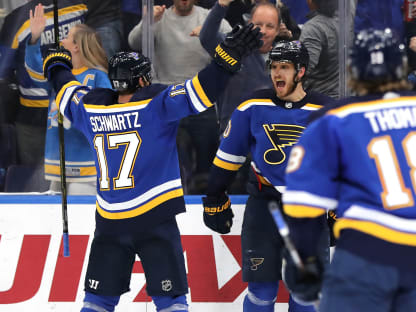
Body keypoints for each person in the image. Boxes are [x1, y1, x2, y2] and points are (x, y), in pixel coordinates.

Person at [42, 23, 262, 312]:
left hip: (109, 221)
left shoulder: (90, 107)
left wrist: (56, 62)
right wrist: (226, 60)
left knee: (96, 302)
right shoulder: (155, 105)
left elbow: (65, 86)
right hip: (154, 219)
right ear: (143, 81)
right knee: (171, 302)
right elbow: (201, 91)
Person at [281, 28, 416, 312]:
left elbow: (303, 208)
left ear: (353, 70)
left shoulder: (332, 119)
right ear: (403, 67)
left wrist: (303, 265)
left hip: (366, 254)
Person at [202, 40, 332, 312]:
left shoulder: (326, 112)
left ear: (301, 71)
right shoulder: (252, 106)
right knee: (261, 292)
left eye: (284, 67)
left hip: (309, 211)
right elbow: (228, 156)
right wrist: (214, 194)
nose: (276, 74)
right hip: (264, 208)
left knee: (305, 293)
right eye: (273, 67)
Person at [25, 3, 112, 194]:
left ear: (76, 46)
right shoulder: (59, 73)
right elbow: (36, 72)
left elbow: (107, 115)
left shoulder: (98, 77)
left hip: (86, 165)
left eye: (67, 37)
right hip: (58, 165)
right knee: (56, 219)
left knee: (79, 219)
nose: (62, 41)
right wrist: (34, 38)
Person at [0, 0, 87, 166]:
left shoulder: (79, 8)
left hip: (55, 112)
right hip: (46, 112)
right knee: (39, 179)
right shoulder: (79, 7)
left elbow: (4, 70)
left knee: (59, 177)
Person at [300, 0, 339, 99]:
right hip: (344, 100)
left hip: (320, 103)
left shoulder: (313, 28)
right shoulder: (344, 23)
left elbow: (303, 69)